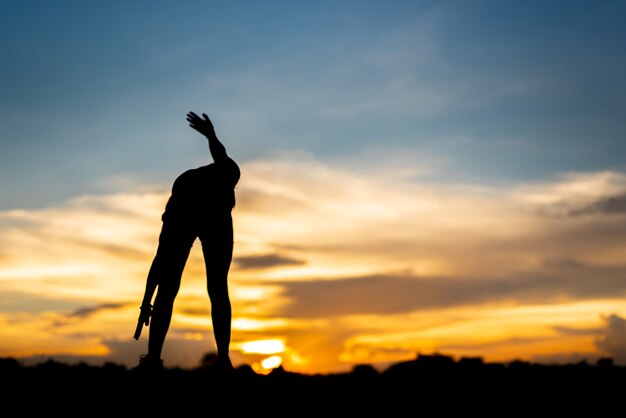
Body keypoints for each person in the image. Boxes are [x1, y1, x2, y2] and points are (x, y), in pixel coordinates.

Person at [133, 111, 240, 372]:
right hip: (189, 212)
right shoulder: (184, 194)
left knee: (215, 287)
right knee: (171, 287)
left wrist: (211, 135)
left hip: (211, 218)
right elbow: (160, 262)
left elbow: (220, 154)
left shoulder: (226, 175)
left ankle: (222, 360)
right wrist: (146, 302)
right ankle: (154, 360)